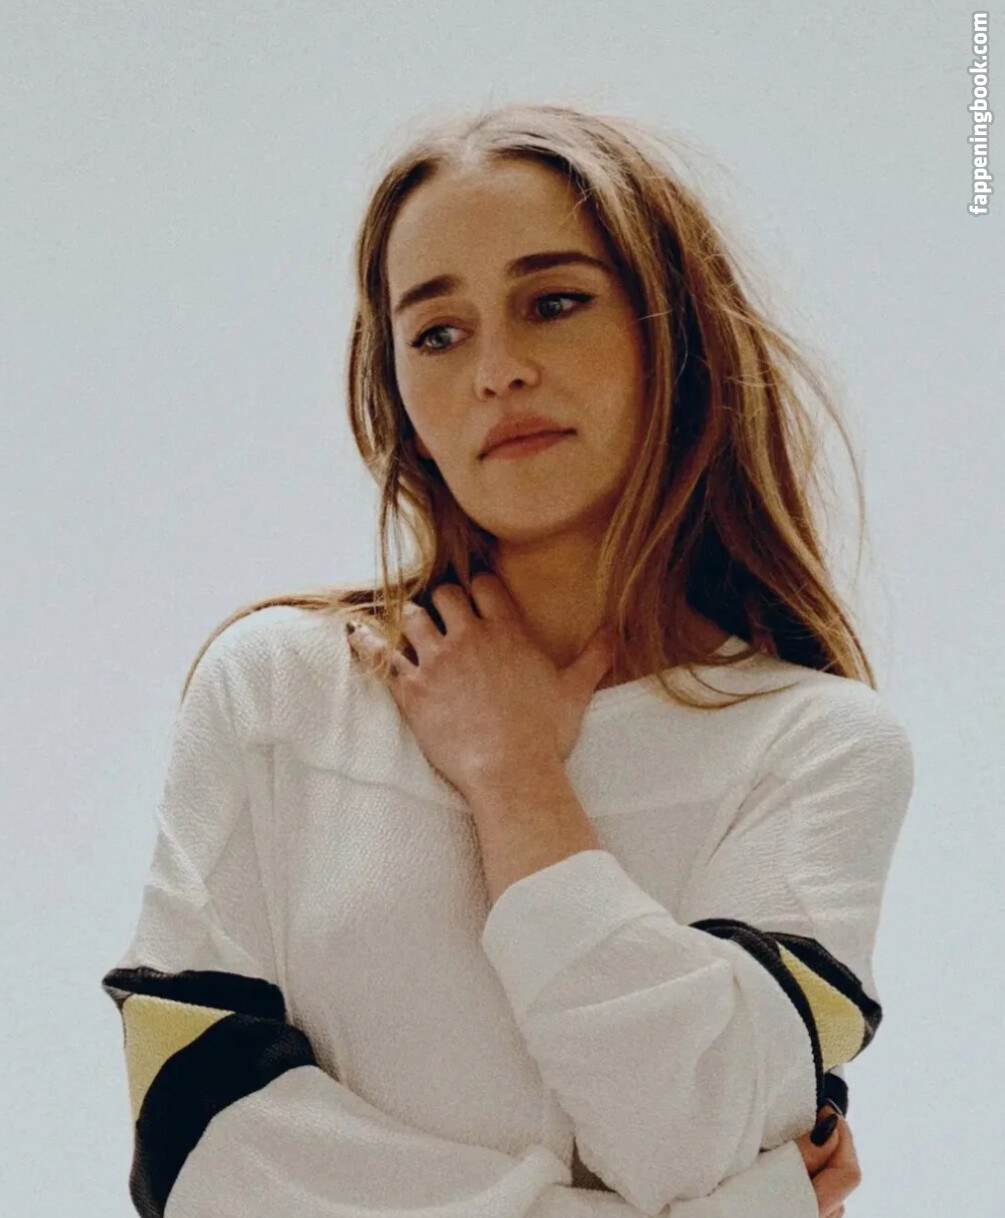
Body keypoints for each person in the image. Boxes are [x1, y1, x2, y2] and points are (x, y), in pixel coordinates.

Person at [100, 103, 912, 1218]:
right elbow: (195, 1145)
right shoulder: (279, 691)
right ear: (396, 392)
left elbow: (682, 1130)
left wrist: (517, 778)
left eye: (554, 303)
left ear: (673, 338)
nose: (497, 371)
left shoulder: (817, 747)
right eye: (438, 333)